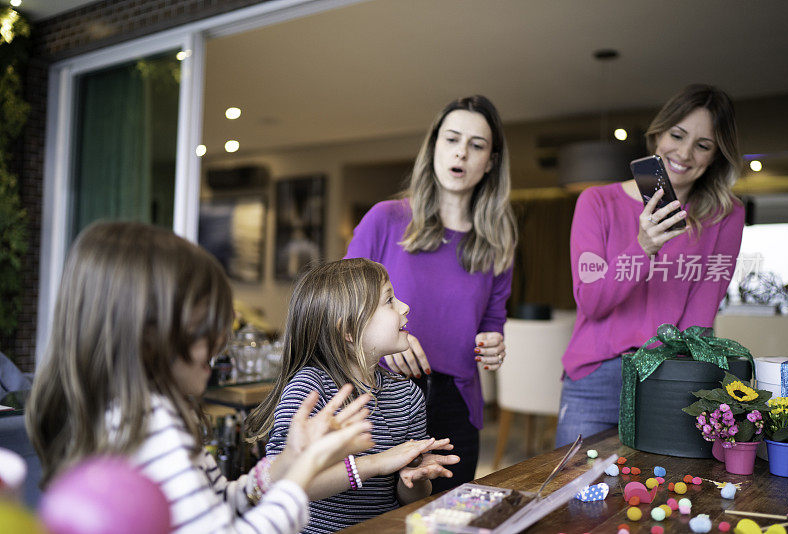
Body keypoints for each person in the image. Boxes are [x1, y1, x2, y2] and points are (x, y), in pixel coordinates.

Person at [25, 221, 375, 534]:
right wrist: (305, 472)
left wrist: (290, 461)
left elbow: (221, 503)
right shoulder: (149, 426)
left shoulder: (132, 413)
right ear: (150, 332)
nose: (226, 330)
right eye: (203, 320)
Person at [555, 84, 746, 447]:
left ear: (715, 156)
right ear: (658, 133)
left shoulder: (725, 215)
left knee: (659, 494)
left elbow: (699, 322)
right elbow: (592, 302)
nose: (685, 153)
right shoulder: (597, 202)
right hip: (596, 375)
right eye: (677, 135)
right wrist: (643, 247)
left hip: (670, 373)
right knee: (574, 492)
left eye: (703, 145)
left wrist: (681, 381)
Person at [344, 95, 517, 490]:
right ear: (434, 146)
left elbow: (491, 322)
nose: (462, 152)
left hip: (457, 403)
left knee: (446, 518)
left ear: (490, 161)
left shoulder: (498, 241)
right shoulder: (385, 219)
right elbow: (342, 301)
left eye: (477, 145)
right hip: (379, 395)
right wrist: (384, 340)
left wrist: (493, 342)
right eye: (452, 139)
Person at [246, 258, 459, 533]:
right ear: (347, 329)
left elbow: (412, 499)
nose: (405, 307)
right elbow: (283, 482)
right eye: (389, 300)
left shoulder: (407, 396)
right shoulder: (311, 390)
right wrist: (376, 464)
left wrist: (414, 478)